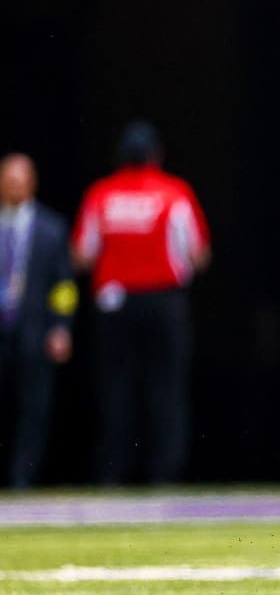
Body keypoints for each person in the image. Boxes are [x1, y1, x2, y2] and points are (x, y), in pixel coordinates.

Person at [71, 122, 211, 485]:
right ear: (157, 155)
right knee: (166, 387)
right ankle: (165, 472)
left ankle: (113, 472)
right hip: (163, 303)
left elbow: (82, 256)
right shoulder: (174, 194)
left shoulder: (101, 195)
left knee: (116, 388)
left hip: (115, 305)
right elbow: (198, 255)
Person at [0, 154, 76, 488]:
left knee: (34, 408)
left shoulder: (52, 229)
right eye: (8, 179)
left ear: (32, 183)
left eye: (20, 180)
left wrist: (60, 326)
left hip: (33, 330)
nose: (14, 186)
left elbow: (64, 285)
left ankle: (23, 476)